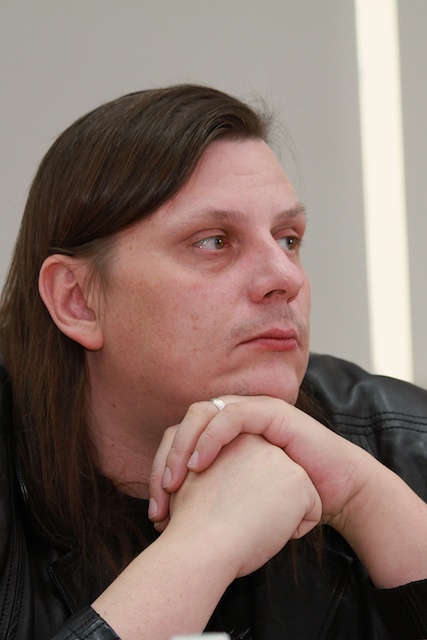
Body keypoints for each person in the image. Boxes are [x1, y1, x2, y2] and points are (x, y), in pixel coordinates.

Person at [0, 84, 427, 640]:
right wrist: (202, 549)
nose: (286, 277)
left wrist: (368, 501)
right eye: (213, 242)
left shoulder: (402, 441)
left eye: (288, 239)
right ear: (78, 301)